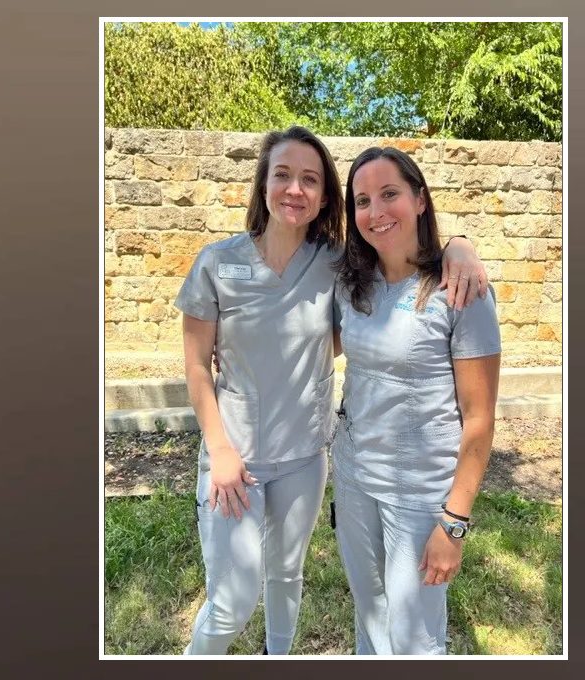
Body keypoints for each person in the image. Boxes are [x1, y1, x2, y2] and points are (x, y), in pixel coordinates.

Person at [172, 127, 489, 655]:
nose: (294, 189)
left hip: (305, 458)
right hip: (235, 460)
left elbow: (371, 304)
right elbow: (195, 366)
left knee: (287, 574)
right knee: (231, 601)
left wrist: (460, 245)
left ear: (323, 197)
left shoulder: (335, 264)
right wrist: (220, 449)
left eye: (310, 179)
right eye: (282, 175)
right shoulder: (218, 264)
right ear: (263, 183)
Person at [328, 146, 502, 655]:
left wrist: (454, 522)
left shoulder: (460, 290)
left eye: (390, 194)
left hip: (420, 495)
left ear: (420, 199)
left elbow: (480, 419)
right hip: (355, 478)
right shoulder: (352, 285)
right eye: (362, 201)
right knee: (370, 619)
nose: (376, 212)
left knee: (414, 641)